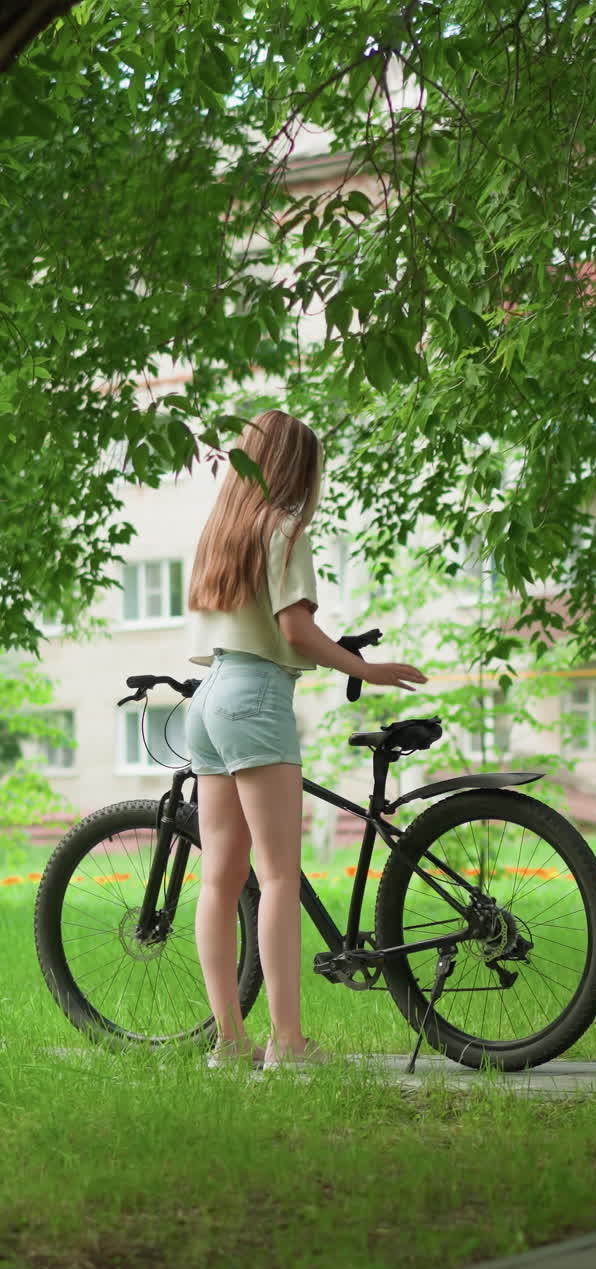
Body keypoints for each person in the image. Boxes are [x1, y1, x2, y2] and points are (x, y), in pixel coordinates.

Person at [185, 409, 428, 1070]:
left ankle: (231, 1044)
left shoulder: (218, 532)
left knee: (219, 881)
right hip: (256, 696)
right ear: (300, 467)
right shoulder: (284, 525)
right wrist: (366, 669)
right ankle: (287, 1045)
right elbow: (294, 632)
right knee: (279, 876)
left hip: (207, 700)